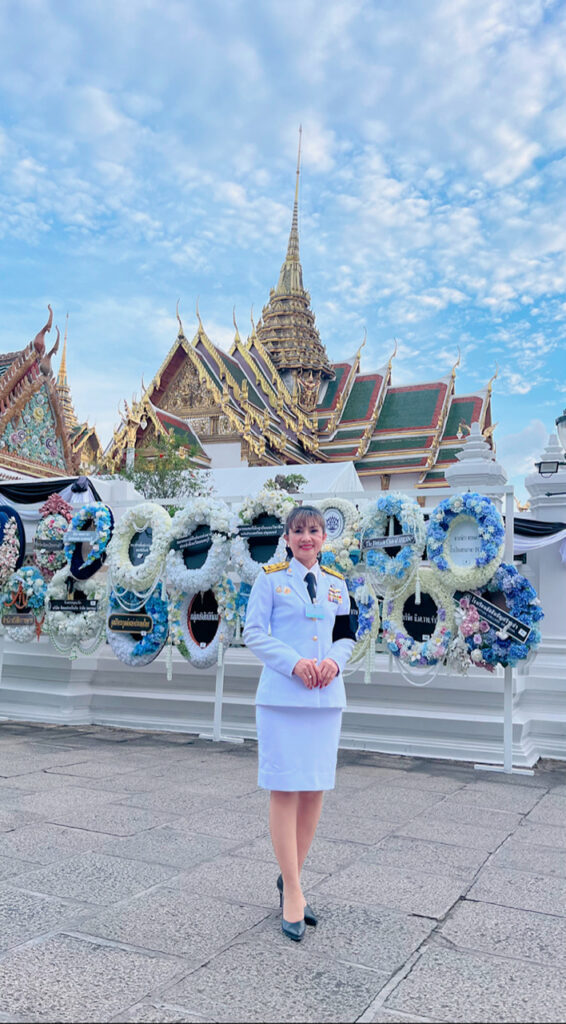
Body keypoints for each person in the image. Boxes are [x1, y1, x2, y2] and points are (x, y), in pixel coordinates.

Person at [243, 504, 357, 942]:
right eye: (298, 531)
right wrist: (294, 663)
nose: (306, 538)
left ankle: (290, 876)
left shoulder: (337, 585)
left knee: (313, 789)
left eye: (314, 530)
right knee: (285, 788)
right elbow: (254, 632)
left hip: (325, 699)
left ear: (324, 538)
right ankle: (293, 890)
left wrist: (334, 662)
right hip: (283, 699)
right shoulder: (270, 579)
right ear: (287, 539)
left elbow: (347, 635)